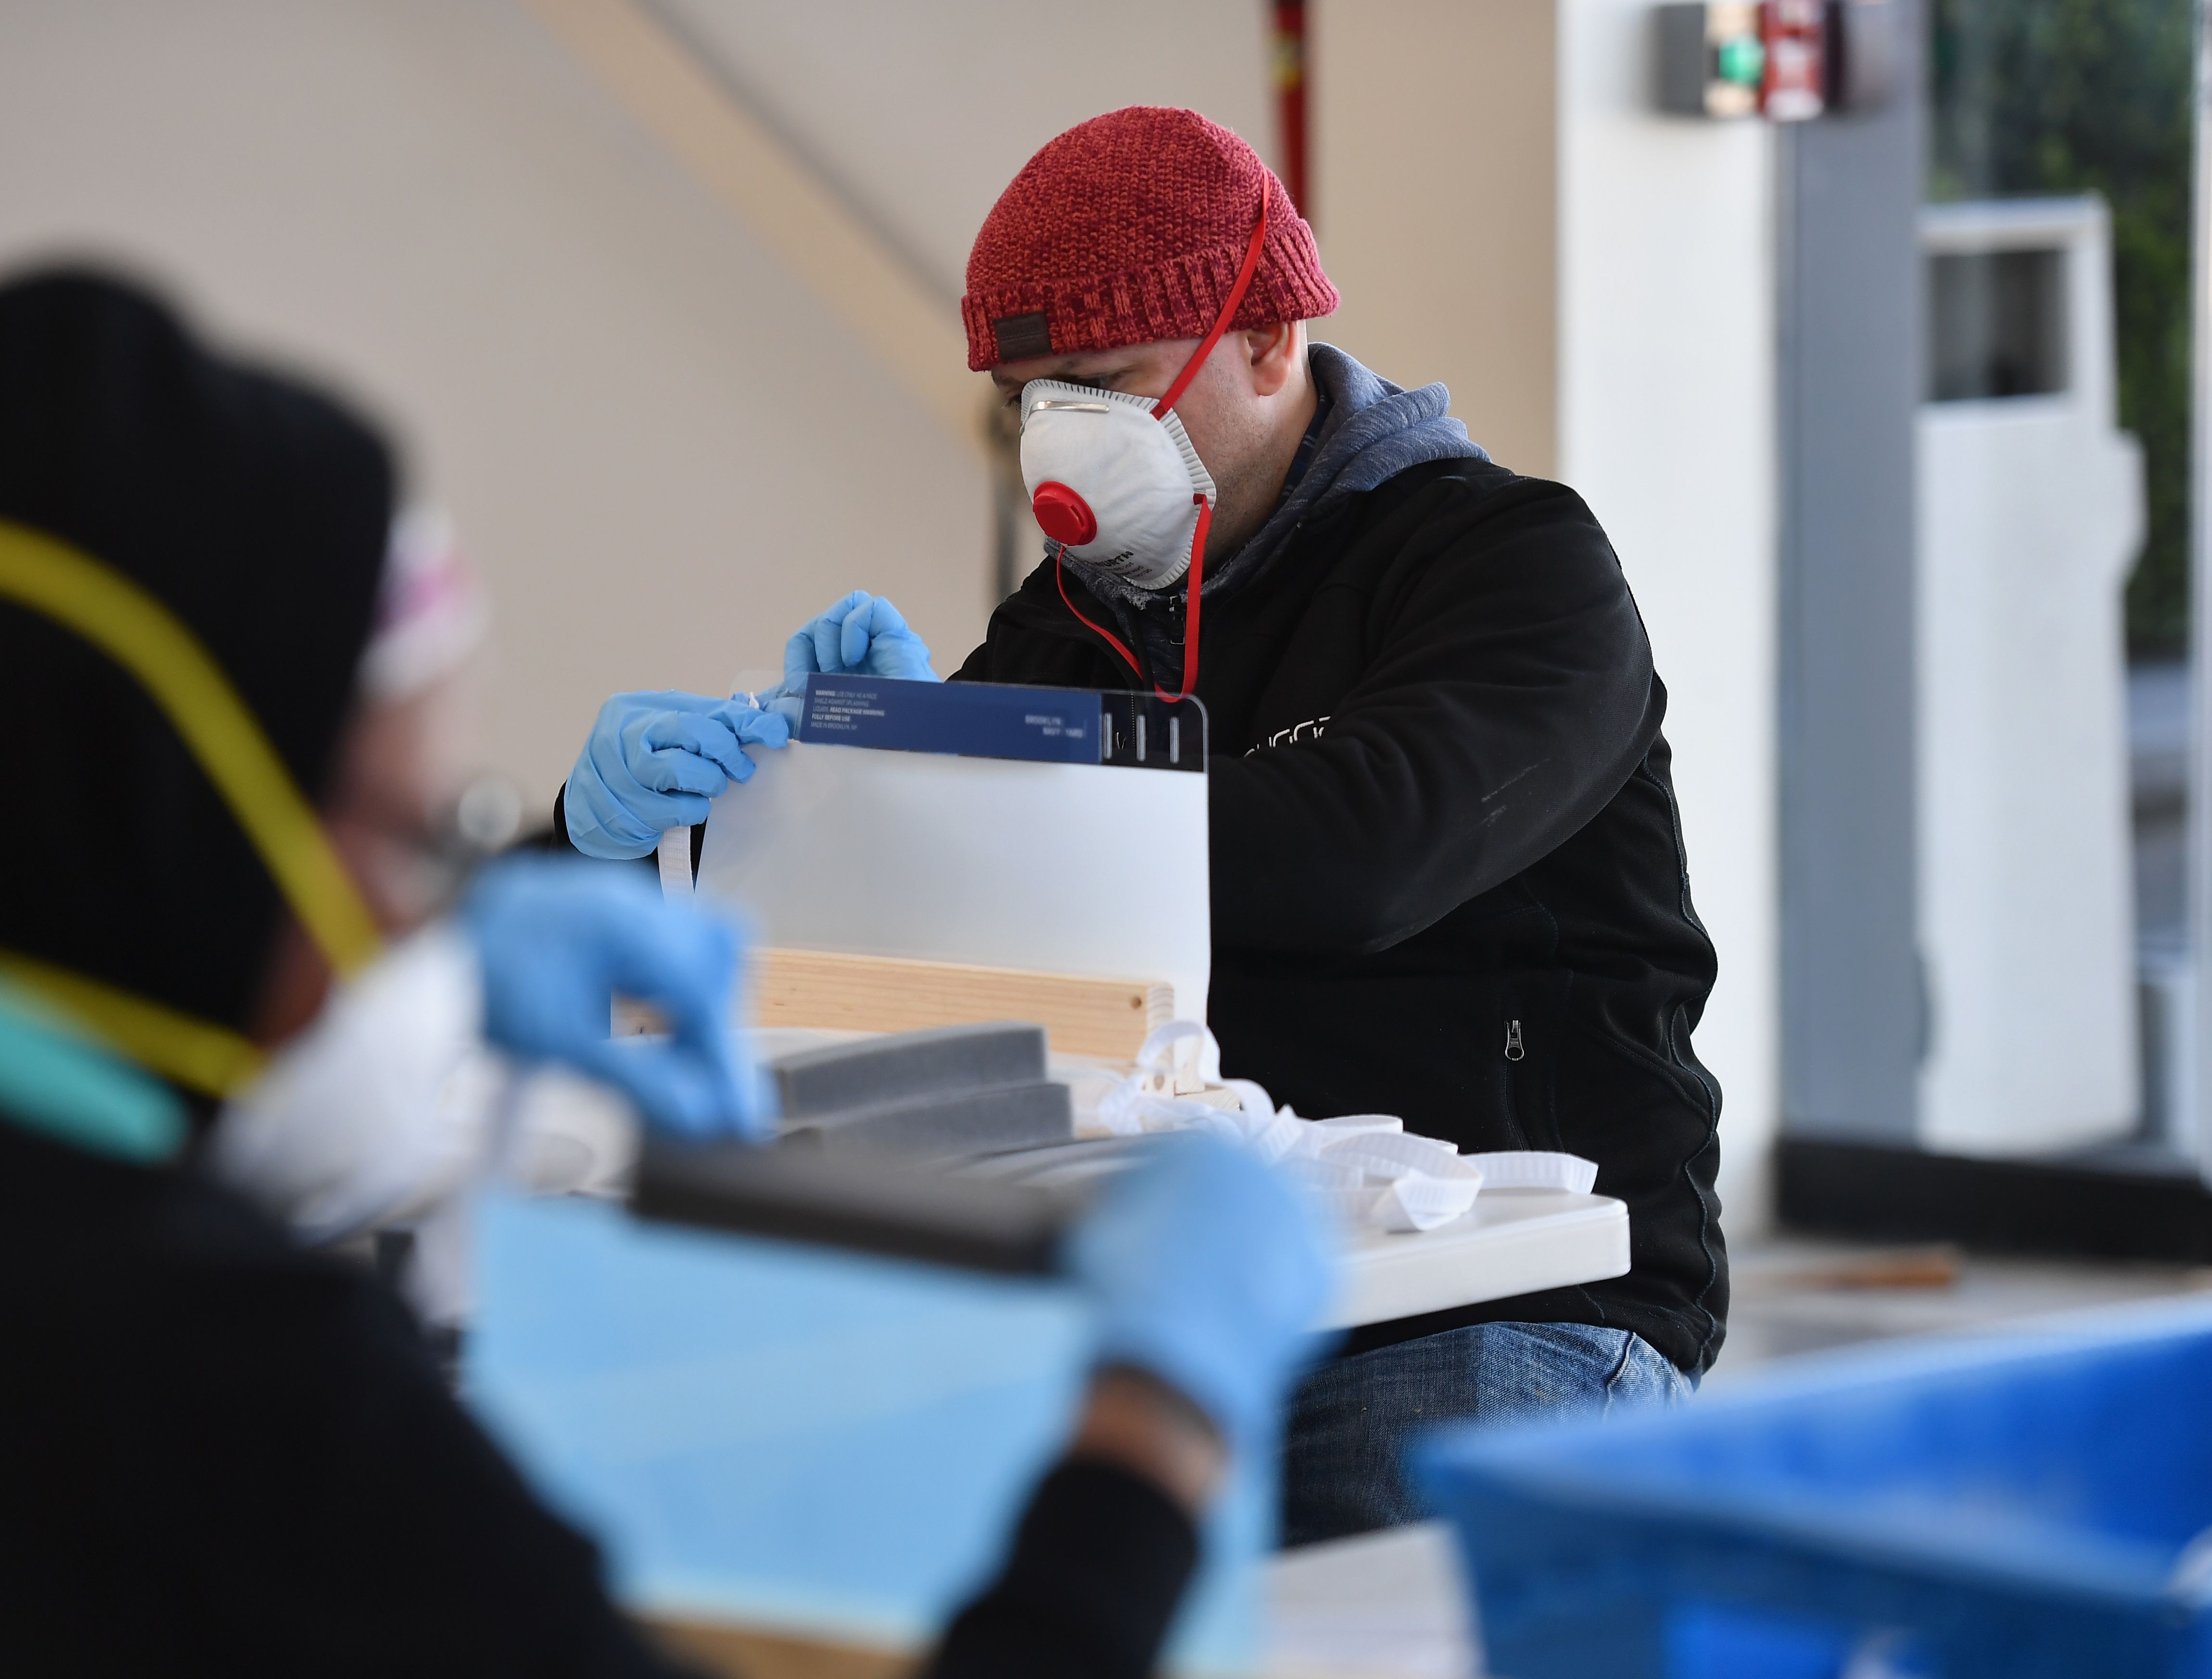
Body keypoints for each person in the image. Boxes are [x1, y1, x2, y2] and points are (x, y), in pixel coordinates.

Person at [0, 269, 1335, 1675]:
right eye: (418, 842)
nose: (428, 929)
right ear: (205, 843)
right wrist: (1151, 1426)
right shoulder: (246, 1407)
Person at [559, 106, 1724, 1541]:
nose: (1061, 442)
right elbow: (883, 966)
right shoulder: (1063, 631)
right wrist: (732, 817)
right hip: (1151, 1303)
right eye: (1030, 399)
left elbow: (1364, 856)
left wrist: (985, 796)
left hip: (1492, 1301)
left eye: (1104, 385)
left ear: (1269, 339)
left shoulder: (1507, 568)